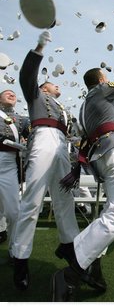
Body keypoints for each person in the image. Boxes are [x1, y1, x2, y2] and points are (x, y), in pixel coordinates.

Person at [51, 67, 114, 301]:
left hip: (99, 157)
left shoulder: (83, 106)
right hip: (112, 151)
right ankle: (73, 270)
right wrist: (113, 82)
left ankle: (93, 266)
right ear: (100, 79)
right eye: (105, 77)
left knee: (111, 212)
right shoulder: (101, 89)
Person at [12, 31, 81, 291]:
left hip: (62, 145)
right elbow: (26, 75)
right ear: (43, 88)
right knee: (32, 199)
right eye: (54, 84)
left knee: (65, 197)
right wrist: (40, 47)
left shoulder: (63, 109)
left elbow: (72, 135)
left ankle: (68, 244)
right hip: (42, 139)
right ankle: (20, 258)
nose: (58, 86)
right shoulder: (36, 96)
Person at [0, 89, 29, 262]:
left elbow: (31, 137)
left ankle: (14, 251)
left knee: (13, 211)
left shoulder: (22, 120)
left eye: (14, 94)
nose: (12, 94)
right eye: (6, 93)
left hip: (8, 165)